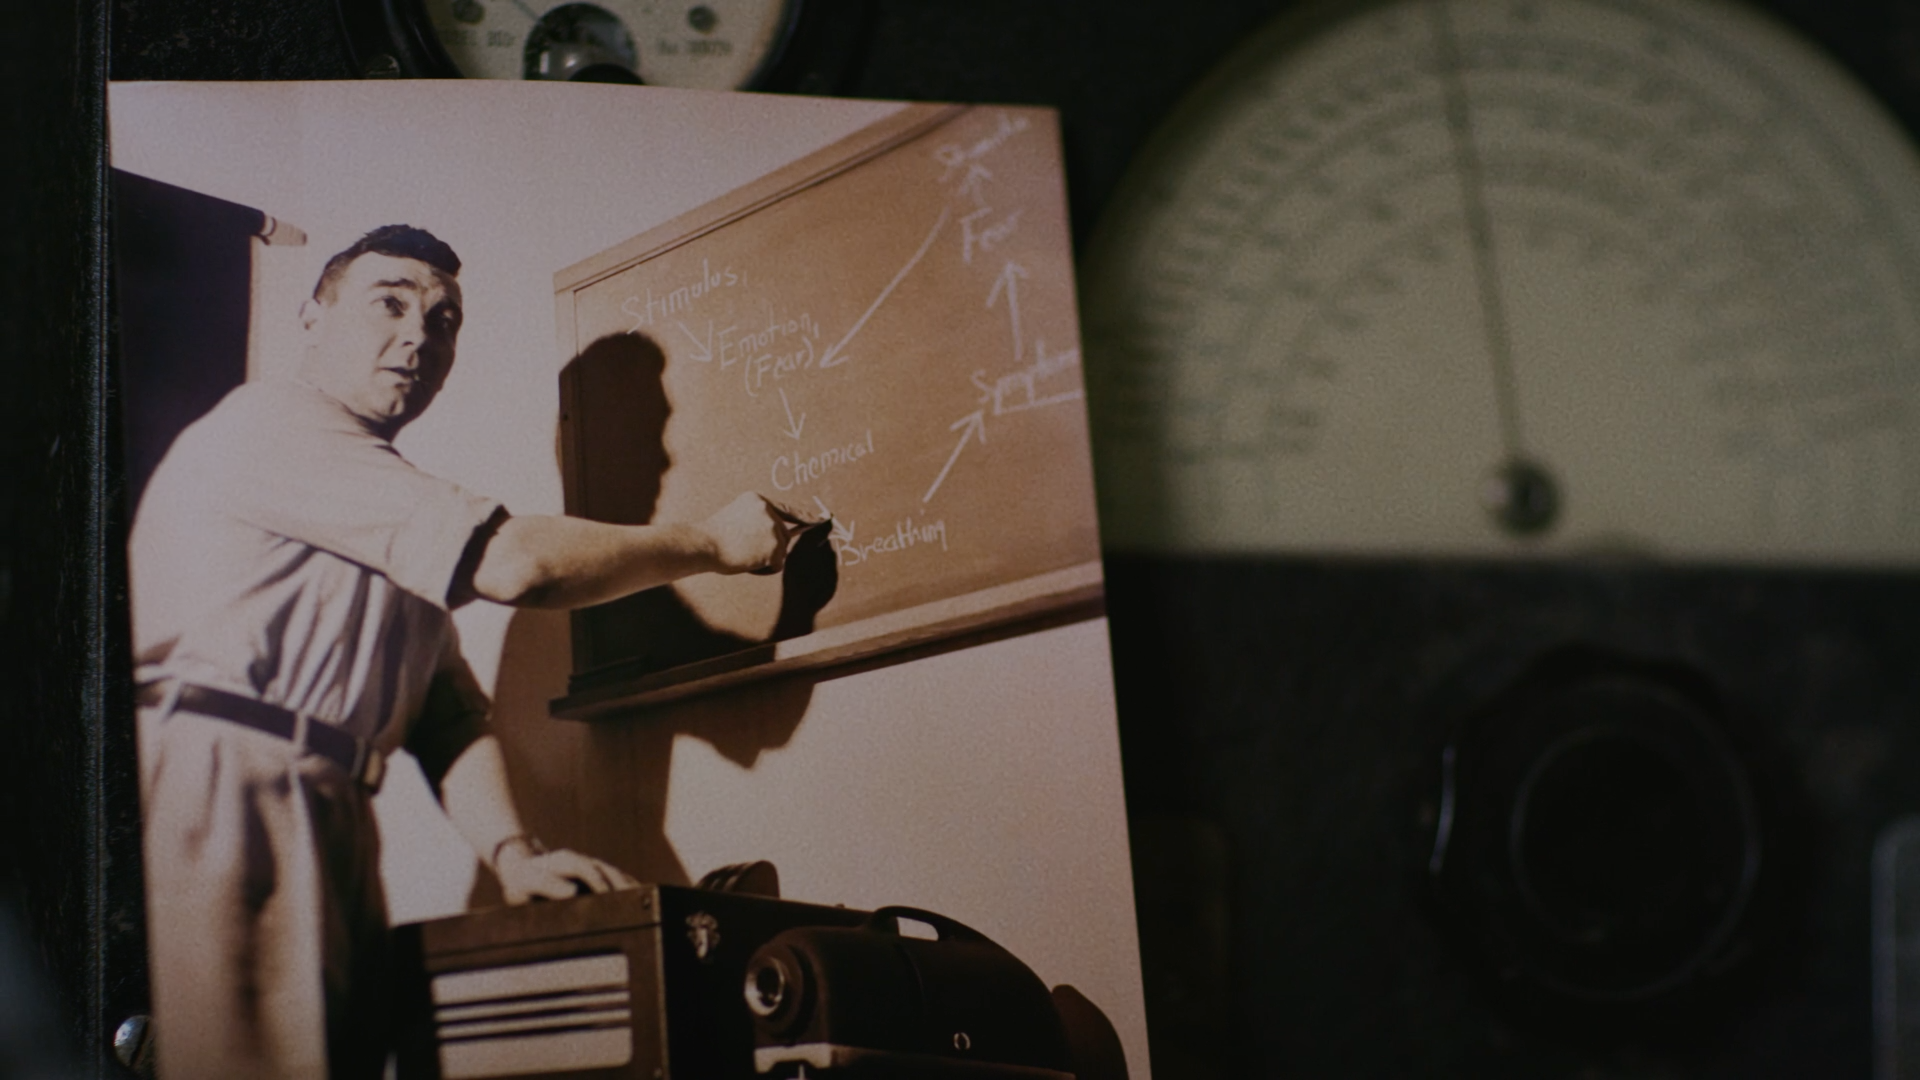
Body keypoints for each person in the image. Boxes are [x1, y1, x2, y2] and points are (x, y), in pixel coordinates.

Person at [129, 225, 813, 1079]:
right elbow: (519, 563)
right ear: (314, 314)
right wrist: (712, 543)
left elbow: (448, 717)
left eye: (444, 319)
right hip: (227, 784)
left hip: (328, 803)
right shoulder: (273, 423)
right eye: (391, 302)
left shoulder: (382, 498)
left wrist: (515, 853)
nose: (419, 333)